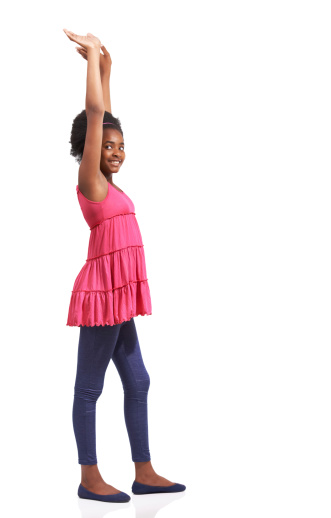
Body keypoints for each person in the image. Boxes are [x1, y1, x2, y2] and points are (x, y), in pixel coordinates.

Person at [63, 29, 186, 503]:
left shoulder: (111, 187)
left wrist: (106, 70)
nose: (116, 151)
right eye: (107, 146)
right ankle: (89, 477)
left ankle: (144, 470)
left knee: (138, 379)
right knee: (89, 389)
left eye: (120, 145)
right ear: (90, 151)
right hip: (102, 294)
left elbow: (105, 116)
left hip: (121, 294)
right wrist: (91, 59)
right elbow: (96, 118)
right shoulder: (89, 181)